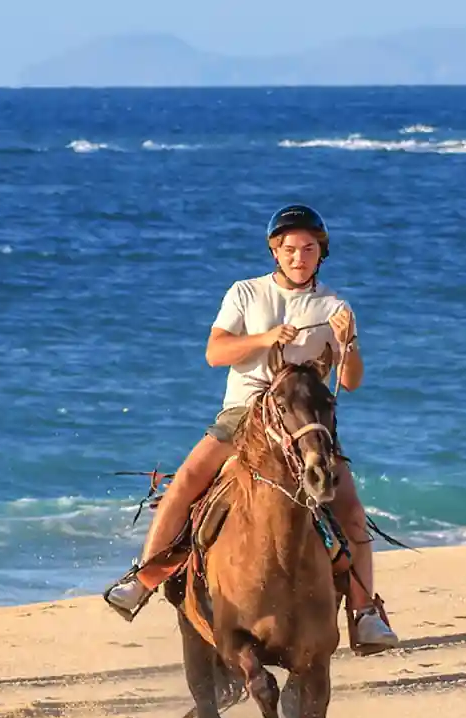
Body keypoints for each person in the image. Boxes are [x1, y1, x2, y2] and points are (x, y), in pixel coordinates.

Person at [101, 205, 397, 654]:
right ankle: (142, 579)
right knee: (185, 481)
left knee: (352, 511)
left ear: (322, 253)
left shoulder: (335, 306)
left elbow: (350, 381)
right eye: (290, 249)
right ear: (276, 252)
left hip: (303, 419)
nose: (300, 257)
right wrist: (265, 339)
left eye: (309, 249)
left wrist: (349, 341)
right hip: (244, 412)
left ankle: (364, 612)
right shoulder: (245, 292)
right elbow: (215, 353)